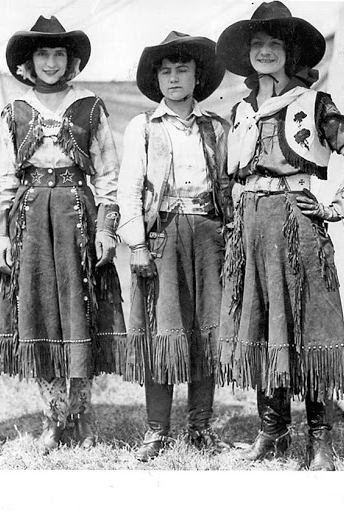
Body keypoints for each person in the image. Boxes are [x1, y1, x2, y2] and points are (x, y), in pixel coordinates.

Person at [215, 1, 344, 470]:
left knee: (310, 326)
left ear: (291, 52)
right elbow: (232, 176)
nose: (265, 51)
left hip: (297, 225)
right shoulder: (242, 110)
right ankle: (273, 432)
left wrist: (333, 208)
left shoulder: (315, 104)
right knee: (263, 322)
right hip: (250, 227)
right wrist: (234, 224)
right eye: (257, 44)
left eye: (274, 44)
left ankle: (320, 441)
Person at [0, 15, 126, 454]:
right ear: (29, 62)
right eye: (42, 54)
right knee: (40, 313)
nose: (50, 62)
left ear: (71, 60)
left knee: (79, 312)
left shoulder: (91, 107)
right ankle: (54, 416)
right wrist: (2, 237)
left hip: (77, 217)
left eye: (59, 54)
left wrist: (106, 228)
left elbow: (108, 174)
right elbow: (3, 180)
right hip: (30, 221)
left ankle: (81, 416)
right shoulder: (14, 112)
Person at [117, 31, 232, 461]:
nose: (173, 78)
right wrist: (138, 244)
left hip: (208, 233)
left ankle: (200, 426)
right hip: (162, 233)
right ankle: (156, 430)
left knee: (206, 328)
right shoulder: (144, 127)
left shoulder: (216, 127)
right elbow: (128, 190)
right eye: (164, 71)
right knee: (162, 331)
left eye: (182, 69)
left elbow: (228, 187)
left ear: (197, 76)